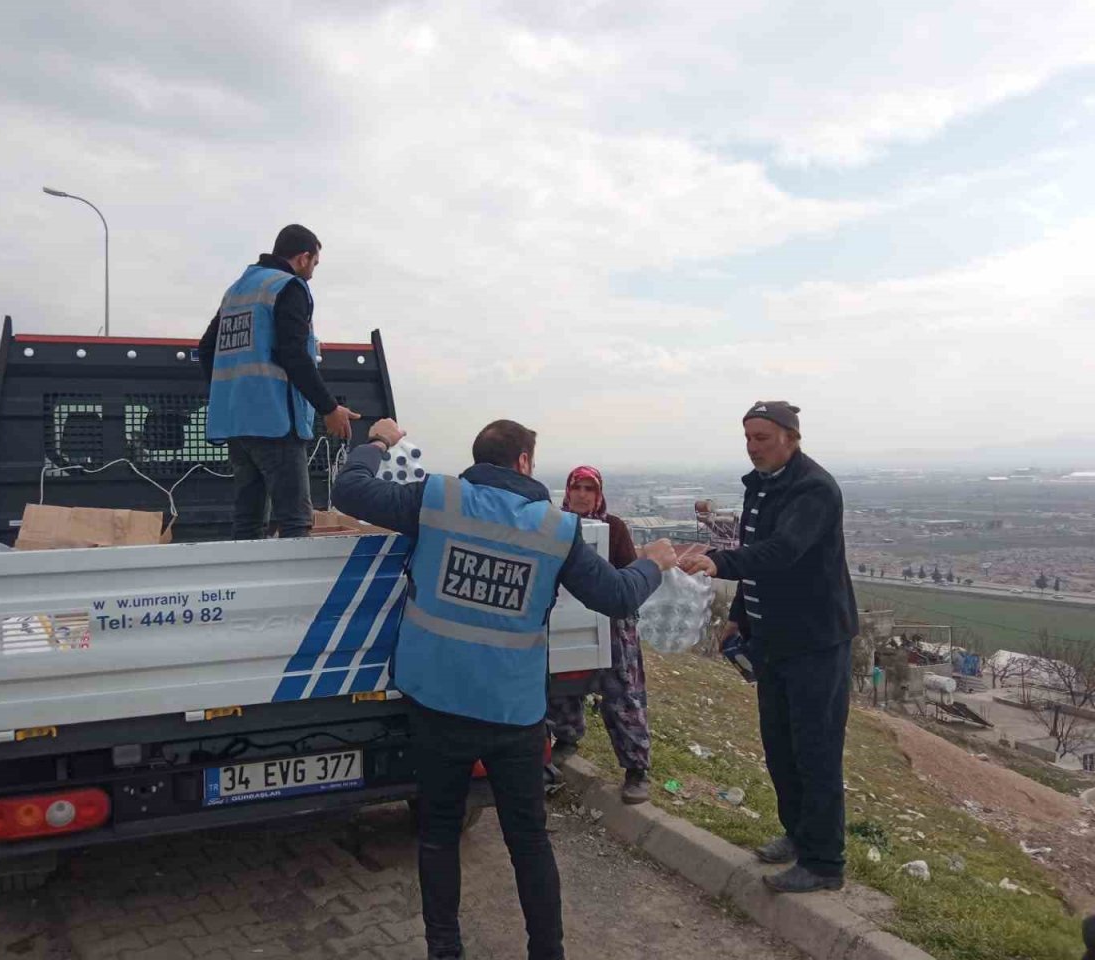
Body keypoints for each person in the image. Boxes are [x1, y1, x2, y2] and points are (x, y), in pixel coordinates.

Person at [332, 419, 679, 960]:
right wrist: (653, 564)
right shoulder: (555, 529)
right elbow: (615, 596)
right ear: (523, 463)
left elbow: (350, 490)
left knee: (439, 835)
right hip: (513, 715)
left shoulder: (437, 500)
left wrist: (377, 442)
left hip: (436, 704)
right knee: (529, 843)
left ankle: (445, 950)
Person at [679, 401, 857, 894]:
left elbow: (782, 552)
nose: (754, 447)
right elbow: (762, 562)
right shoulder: (760, 486)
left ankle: (824, 862)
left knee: (816, 750)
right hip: (773, 637)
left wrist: (718, 562)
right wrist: (739, 618)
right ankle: (799, 835)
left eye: (763, 437)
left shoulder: (813, 489)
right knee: (780, 746)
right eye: (749, 438)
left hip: (816, 640)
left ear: (791, 437)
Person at [199, 224, 360, 539]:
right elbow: (293, 355)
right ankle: (294, 590)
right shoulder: (289, 287)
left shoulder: (237, 291)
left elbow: (207, 348)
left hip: (237, 424)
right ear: (303, 258)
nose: (312, 271)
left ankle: (248, 585)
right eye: (314, 263)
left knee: (248, 520)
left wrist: (232, 393)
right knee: (295, 520)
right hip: (274, 422)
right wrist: (329, 408)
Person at [546, 466, 653, 804]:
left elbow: (629, 577)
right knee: (560, 688)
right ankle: (566, 739)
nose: (582, 494)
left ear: (599, 494)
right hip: (564, 621)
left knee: (622, 694)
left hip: (610, 623)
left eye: (589, 489)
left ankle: (636, 769)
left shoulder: (614, 528)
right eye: (576, 487)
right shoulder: (554, 525)